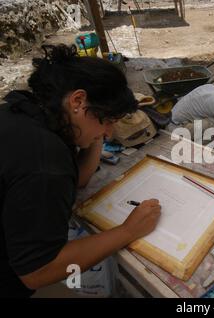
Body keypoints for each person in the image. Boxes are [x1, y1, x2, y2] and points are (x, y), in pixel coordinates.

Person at [0, 44, 161, 297]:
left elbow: (78, 180)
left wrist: (95, 134)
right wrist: (127, 231)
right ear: (77, 100)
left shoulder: (31, 111)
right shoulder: (45, 163)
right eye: (108, 120)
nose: (110, 133)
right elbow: (37, 271)